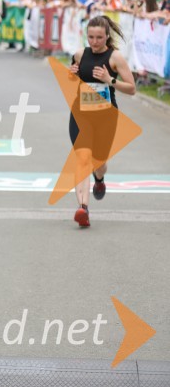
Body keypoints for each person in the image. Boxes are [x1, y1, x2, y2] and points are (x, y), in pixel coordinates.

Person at [67, 16, 135, 228]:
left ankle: (99, 180)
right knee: (83, 158)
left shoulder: (115, 58)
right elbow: (73, 78)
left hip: (106, 116)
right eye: (90, 37)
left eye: (99, 37)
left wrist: (110, 80)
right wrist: (72, 74)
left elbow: (132, 88)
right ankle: (83, 208)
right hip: (81, 114)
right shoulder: (80, 54)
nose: (94, 42)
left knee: (99, 162)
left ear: (107, 36)